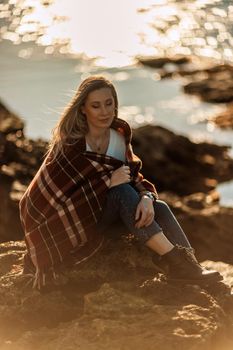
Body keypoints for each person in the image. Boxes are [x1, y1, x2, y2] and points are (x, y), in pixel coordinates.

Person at [19, 75, 222, 289]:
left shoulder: (118, 136)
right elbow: (48, 199)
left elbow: (134, 177)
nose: (105, 111)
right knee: (121, 192)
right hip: (77, 225)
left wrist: (145, 197)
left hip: (109, 218)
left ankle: (190, 267)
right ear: (82, 109)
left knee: (159, 207)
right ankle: (179, 264)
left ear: (115, 104)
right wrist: (107, 182)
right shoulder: (71, 146)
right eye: (96, 106)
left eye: (109, 103)